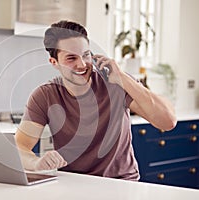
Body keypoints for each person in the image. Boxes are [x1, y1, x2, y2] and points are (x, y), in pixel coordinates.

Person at [15, 20, 177, 181]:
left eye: (86, 55)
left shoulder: (115, 84)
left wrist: (123, 78)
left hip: (121, 183)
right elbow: (20, 146)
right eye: (71, 58)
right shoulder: (46, 95)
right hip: (74, 183)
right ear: (54, 62)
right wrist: (35, 163)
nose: (82, 64)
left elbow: (167, 121)